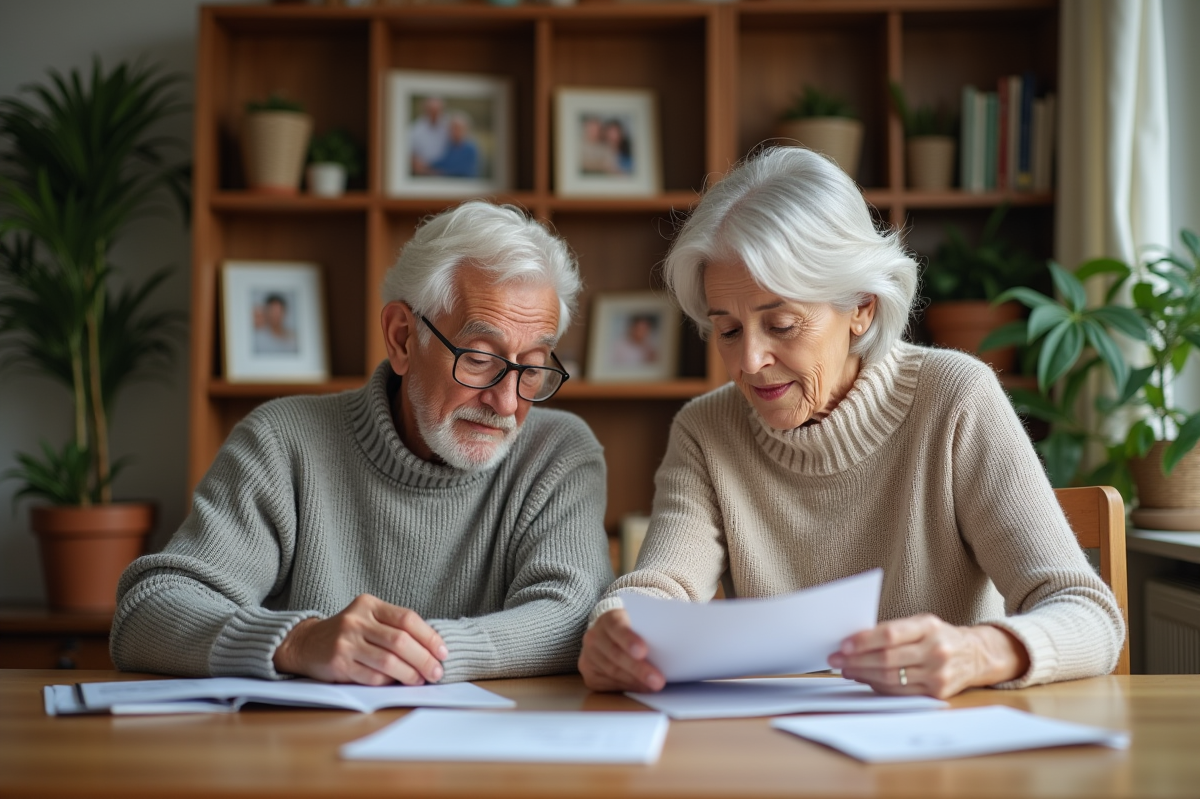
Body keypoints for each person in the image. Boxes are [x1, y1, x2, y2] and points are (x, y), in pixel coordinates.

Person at [578, 147, 1124, 700]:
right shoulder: (706, 430)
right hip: (775, 753)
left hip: (939, 758)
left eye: (783, 324)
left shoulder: (956, 399)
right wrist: (616, 627)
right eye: (728, 330)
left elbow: (1088, 616)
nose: (748, 363)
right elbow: (659, 588)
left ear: (862, 307)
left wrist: (977, 652)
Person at [112, 201, 614, 686]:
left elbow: (573, 619)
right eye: (480, 358)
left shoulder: (557, 452)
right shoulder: (283, 442)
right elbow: (149, 610)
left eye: (531, 367)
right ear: (401, 338)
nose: (506, 403)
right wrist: (299, 642)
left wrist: (404, 654)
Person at [429, 111, 479, 179]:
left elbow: (457, 172)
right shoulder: (449, 146)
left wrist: (429, 171)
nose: (453, 131)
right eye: (451, 128)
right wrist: (425, 165)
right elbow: (441, 163)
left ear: (465, 129)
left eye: (457, 128)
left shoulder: (470, 149)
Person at [410, 96, 449, 176]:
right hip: (423, 172)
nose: (434, 114)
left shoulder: (450, 126)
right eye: (431, 111)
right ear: (425, 110)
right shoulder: (415, 129)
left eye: (437, 111)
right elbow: (411, 155)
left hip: (446, 170)